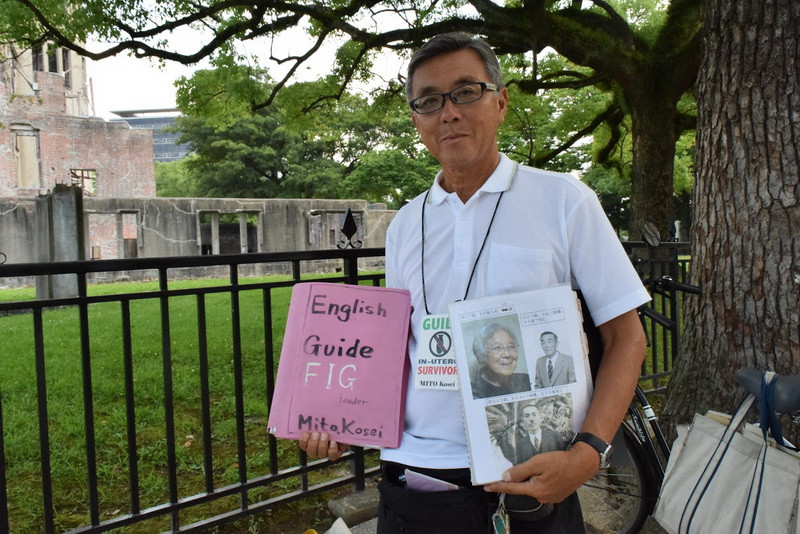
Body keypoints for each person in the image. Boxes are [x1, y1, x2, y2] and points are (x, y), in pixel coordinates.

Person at [299, 31, 649, 533]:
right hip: (412, 478)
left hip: (530, 473)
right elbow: (399, 348)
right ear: (417, 120)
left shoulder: (564, 201)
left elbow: (626, 336)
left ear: (501, 102)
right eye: (428, 101)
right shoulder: (405, 223)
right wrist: (339, 418)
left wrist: (589, 453)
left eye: (466, 92)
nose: (449, 112)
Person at [470, 323, 530, 399]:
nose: (507, 354)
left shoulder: (525, 381)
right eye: (497, 348)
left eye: (511, 346)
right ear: (482, 354)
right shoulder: (473, 391)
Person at [497, 404, 566, 465]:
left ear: (540, 417)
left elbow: (566, 459)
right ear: (523, 421)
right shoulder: (520, 444)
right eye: (527, 416)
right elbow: (520, 467)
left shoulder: (555, 436)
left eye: (534, 414)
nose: (531, 419)